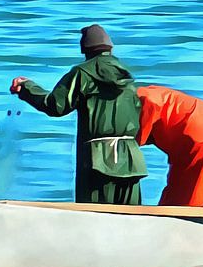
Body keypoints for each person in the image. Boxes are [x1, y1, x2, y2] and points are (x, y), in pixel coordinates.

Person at [10, 25, 147, 205]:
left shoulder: (82, 73)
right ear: (110, 48)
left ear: (85, 50)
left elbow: (56, 106)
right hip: (131, 161)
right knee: (131, 217)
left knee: (94, 216)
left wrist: (27, 88)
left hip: (98, 162)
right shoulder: (126, 77)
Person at [136, 85, 203, 206]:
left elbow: (132, 139)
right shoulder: (158, 94)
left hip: (201, 140)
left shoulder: (141, 97)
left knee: (182, 205)